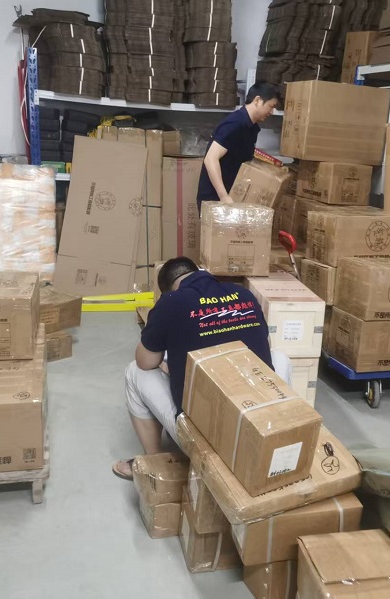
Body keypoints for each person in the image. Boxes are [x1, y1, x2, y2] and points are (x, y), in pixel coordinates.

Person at [113, 257, 291, 479]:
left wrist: (171, 363)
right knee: (280, 357)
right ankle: (281, 427)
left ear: (167, 289)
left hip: (211, 436)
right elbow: (265, 344)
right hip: (259, 425)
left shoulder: (170, 303)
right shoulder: (244, 294)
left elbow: (145, 362)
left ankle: (156, 464)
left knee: (135, 372)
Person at [196, 82, 281, 209]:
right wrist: (223, 196)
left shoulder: (251, 127)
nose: (271, 112)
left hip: (233, 196)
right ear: (257, 100)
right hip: (215, 200)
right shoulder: (235, 124)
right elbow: (210, 159)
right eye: (271, 106)